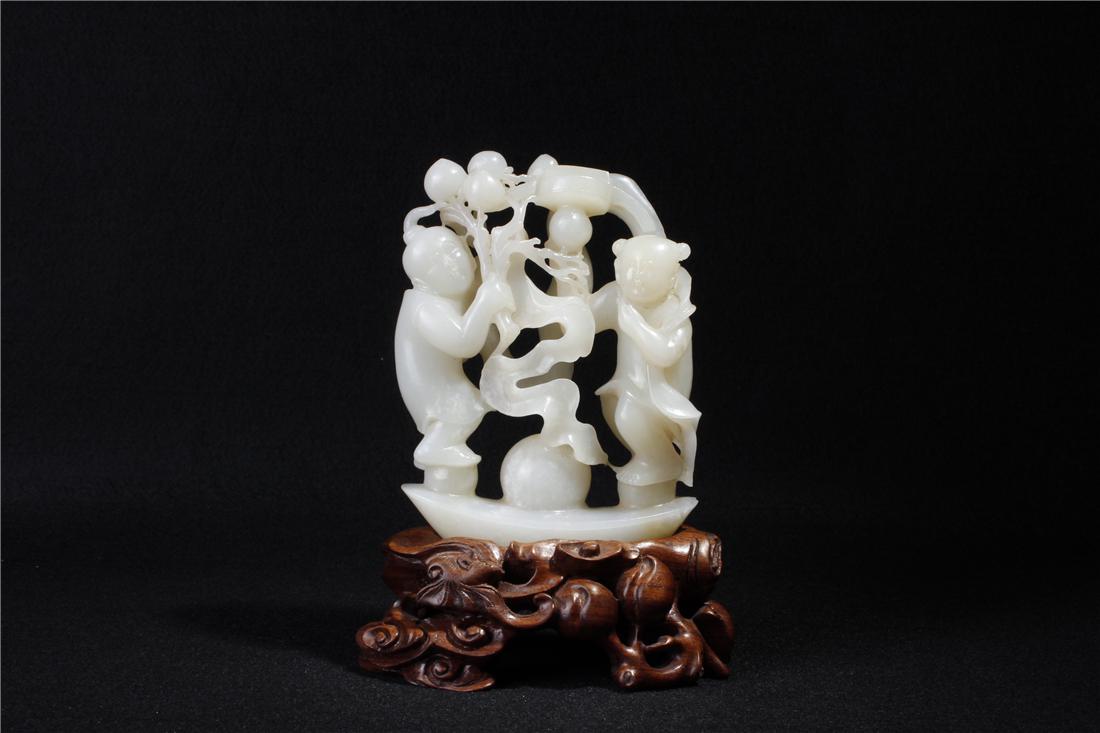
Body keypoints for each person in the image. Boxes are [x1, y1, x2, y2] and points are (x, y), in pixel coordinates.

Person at [394, 225, 514, 495]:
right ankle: (435, 448)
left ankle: (442, 450)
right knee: (461, 411)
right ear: (423, 280)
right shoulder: (425, 309)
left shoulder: (442, 302)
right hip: (435, 392)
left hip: (445, 384)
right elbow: (464, 342)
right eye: (437, 263)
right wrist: (485, 301)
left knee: (474, 405)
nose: (452, 263)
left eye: (454, 251)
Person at [591, 235, 700, 508]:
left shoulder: (675, 314)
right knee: (618, 412)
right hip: (626, 385)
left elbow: (665, 353)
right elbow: (586, 318)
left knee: (629, 415)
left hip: (656, 394)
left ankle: (661, 462)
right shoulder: (620, 298)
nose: (637, 277)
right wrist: (572, 279)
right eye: (631, 267)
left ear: (672, 278)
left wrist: (636, 327)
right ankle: (651, 459)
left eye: (649, 269)